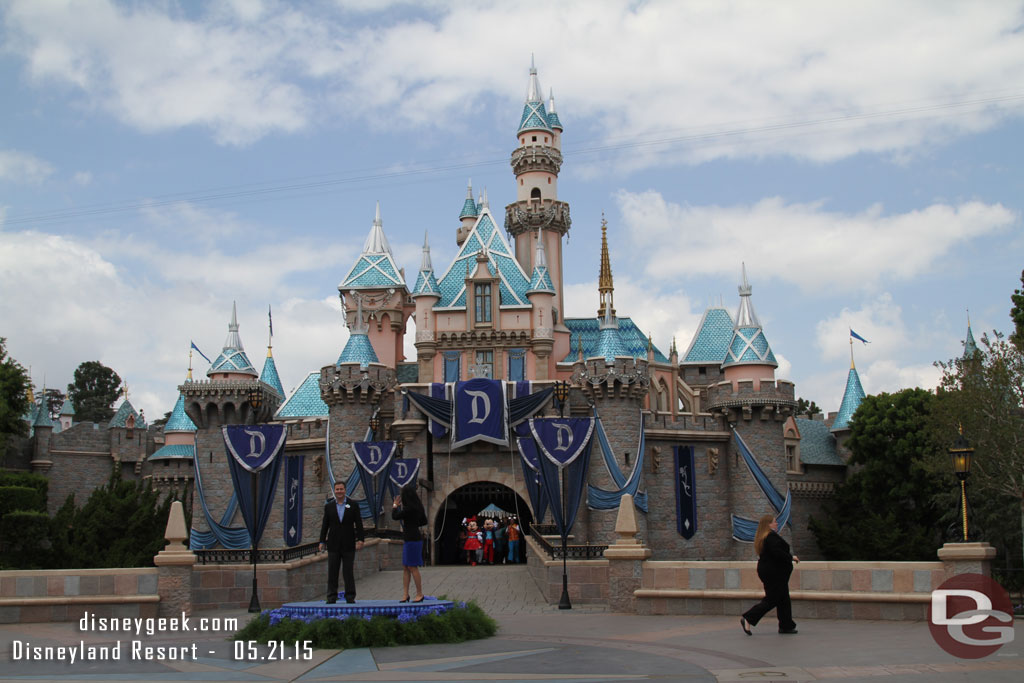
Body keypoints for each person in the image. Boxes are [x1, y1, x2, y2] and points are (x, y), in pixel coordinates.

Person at [741, 514, 799, 635]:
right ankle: (749, 617)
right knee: (773, 599)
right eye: (774, 522)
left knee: (783, 598)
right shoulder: (770, 537)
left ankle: (786, 625)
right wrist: (791, 557)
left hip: (771, 572)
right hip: (774, 573)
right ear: (768, 525)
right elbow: (777, 552)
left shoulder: (764, 537)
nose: (777, 523)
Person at [319, 481, 365, 604]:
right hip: (333, 544)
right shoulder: (329, 507)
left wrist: (361, 539)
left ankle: (350, 596)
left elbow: (359, 523)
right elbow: (325, 525)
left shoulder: (353, 505)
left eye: (341, 489)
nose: (339, 491)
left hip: (348, 543)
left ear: (345, 490)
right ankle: (331, 596)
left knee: (348, 571)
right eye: (337, 489)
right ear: (334, 491)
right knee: (333, 571)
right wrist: (322, 541)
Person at [391, 483, 428, 603]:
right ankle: (405, 594)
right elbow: (424, 521)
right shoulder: (418, 507)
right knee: (406, 566)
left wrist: (395, 505)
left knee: (412, 567)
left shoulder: (408, 509)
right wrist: (414, 523)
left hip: (411, 538)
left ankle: (419, 593)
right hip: (414, 536)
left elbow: (395, 516)